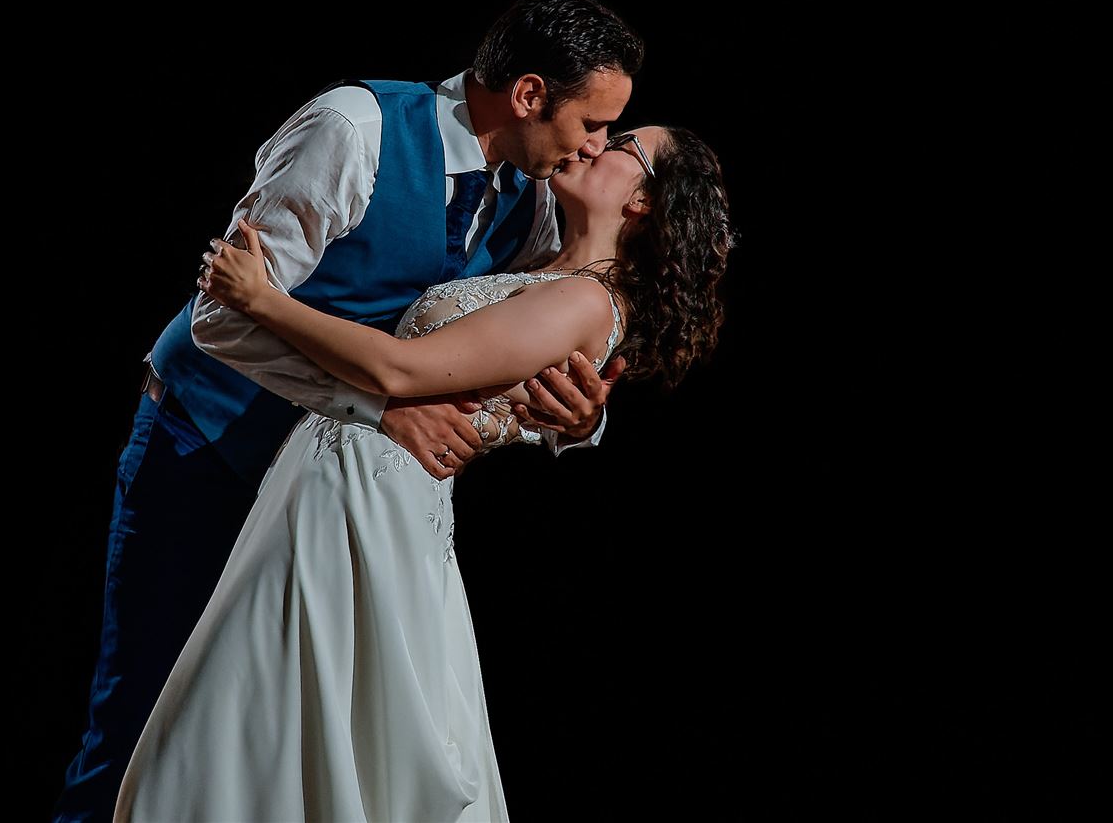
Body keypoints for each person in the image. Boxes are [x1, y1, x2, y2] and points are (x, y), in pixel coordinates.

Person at [54, 0, 646, 823]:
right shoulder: (355, 129)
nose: (596, 146)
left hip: (331, 503)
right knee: (143, 725)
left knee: (282, 750)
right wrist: (377, 407)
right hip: (208, 445)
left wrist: (581, 422)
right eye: (591, 123)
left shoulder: (536, 195)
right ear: (527, 95)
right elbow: (222, 314)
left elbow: (542, 326)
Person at [115, 124, 732, 822]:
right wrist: (570, 422)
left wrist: (263, 300)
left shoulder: (588, 299)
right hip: (337, 476)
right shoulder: (545, 255)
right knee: (264, 726)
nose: (592, 145)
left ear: (647, 200)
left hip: (365, 493)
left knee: (238, 730)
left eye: (618, 144)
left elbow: (401, 369)